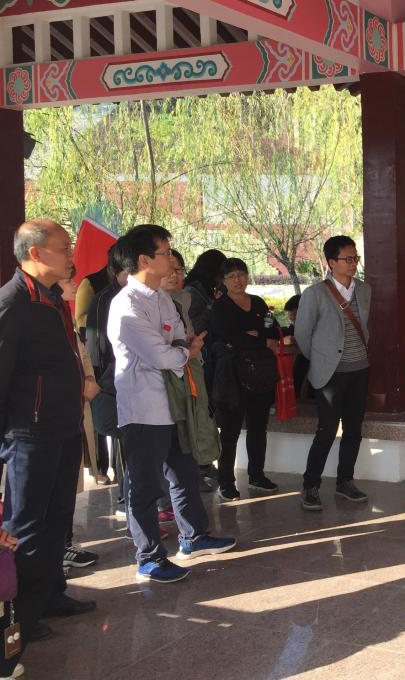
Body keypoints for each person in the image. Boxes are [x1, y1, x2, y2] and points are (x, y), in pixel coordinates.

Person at [107, 224, 235, 583]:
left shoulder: (161, 298)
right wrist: (183, 352)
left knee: (184, 473)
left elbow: (178, 339)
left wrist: (180, 350)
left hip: (174, 403)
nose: (171, 260)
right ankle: (148, 557)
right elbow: (164, 354)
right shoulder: (126, 305)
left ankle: (193, 537)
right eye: (164, 253)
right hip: (144, 408)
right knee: (146, 487)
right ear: (144, 260)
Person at [0, 220, 90, 677]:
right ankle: (19, 620)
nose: (71, 254)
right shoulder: (14, 302)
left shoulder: (53, 298)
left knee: (58, 520)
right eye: (63, 247)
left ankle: (50, 594)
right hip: (30, 435)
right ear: (35, 253)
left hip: (63, 427)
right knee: (28, 527)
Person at [294, 236, 371, 511]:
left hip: (359, 369)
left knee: (354, 429)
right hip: (330, 374)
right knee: (326, 430)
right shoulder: (315, 294)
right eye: (347, 259)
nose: (353, 264)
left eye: (355, 258)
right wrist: (322, 360)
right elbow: (302, 335)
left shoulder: (364, 290)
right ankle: (310, 486)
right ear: (331, 262)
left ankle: (345, 481)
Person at [209, 258, 280, 501]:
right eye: (232, 276)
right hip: (232, 376)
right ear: (224, 281)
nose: (238, 280)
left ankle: (257, 475)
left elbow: (272, 329)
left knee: (259, 428)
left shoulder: (258, 302)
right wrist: (259, 339)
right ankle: (226, 481)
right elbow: (230, 338)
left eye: (241, 274)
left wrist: (253, 337)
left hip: (260, 373)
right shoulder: (220, 307)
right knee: (230, 432)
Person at [55, 268, 102, 584]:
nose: (74, 283)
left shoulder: (62, 315)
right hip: (50, 419)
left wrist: (87, 378)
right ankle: (53, 553)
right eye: (67, 279)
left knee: (66, 487)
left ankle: (64, 543)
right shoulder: (32, 313)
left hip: (73, 411)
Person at [86, 243, 130, 503]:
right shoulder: (105, 299)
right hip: (113, 380)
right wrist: (101, 385)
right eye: (128, 271)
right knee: (123, 440)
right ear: (114, 271)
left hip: (129, 381)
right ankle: (126, 497)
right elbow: (96, 346)